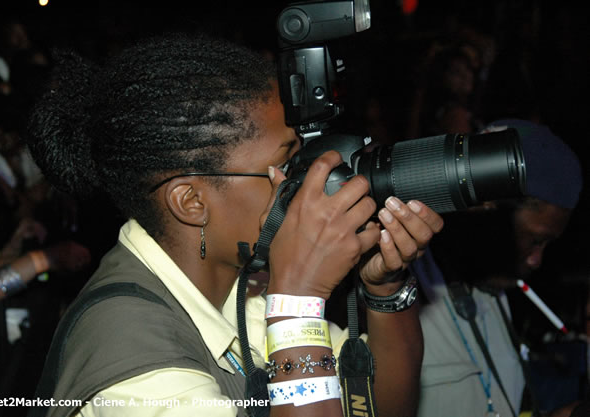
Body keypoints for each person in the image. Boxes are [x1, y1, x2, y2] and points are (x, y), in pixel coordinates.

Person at [24, 32, 443, 417]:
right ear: (192, 202)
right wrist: (297, 303)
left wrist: (384, 289)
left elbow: (379, 406)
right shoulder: (133, 357)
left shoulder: (240, 290)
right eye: (285, 164)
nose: (305, 180)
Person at [410, 119, 584, 417]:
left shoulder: (493, 293)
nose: (536, 260)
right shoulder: (398, 287)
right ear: (485, 210)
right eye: (535, 240)